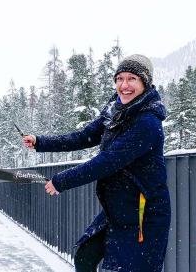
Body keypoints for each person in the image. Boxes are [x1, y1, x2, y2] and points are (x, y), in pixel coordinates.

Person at [23, 54, 170, 272]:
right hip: (118, 209)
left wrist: (61, 181)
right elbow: (85, 136)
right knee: (85, 257)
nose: (124, 85)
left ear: (145, 83)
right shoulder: (116, 111)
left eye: (132, 79)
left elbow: (107, 162)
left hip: (142, 213)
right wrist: (40, 142)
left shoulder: (147, 123)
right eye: (120, 79)